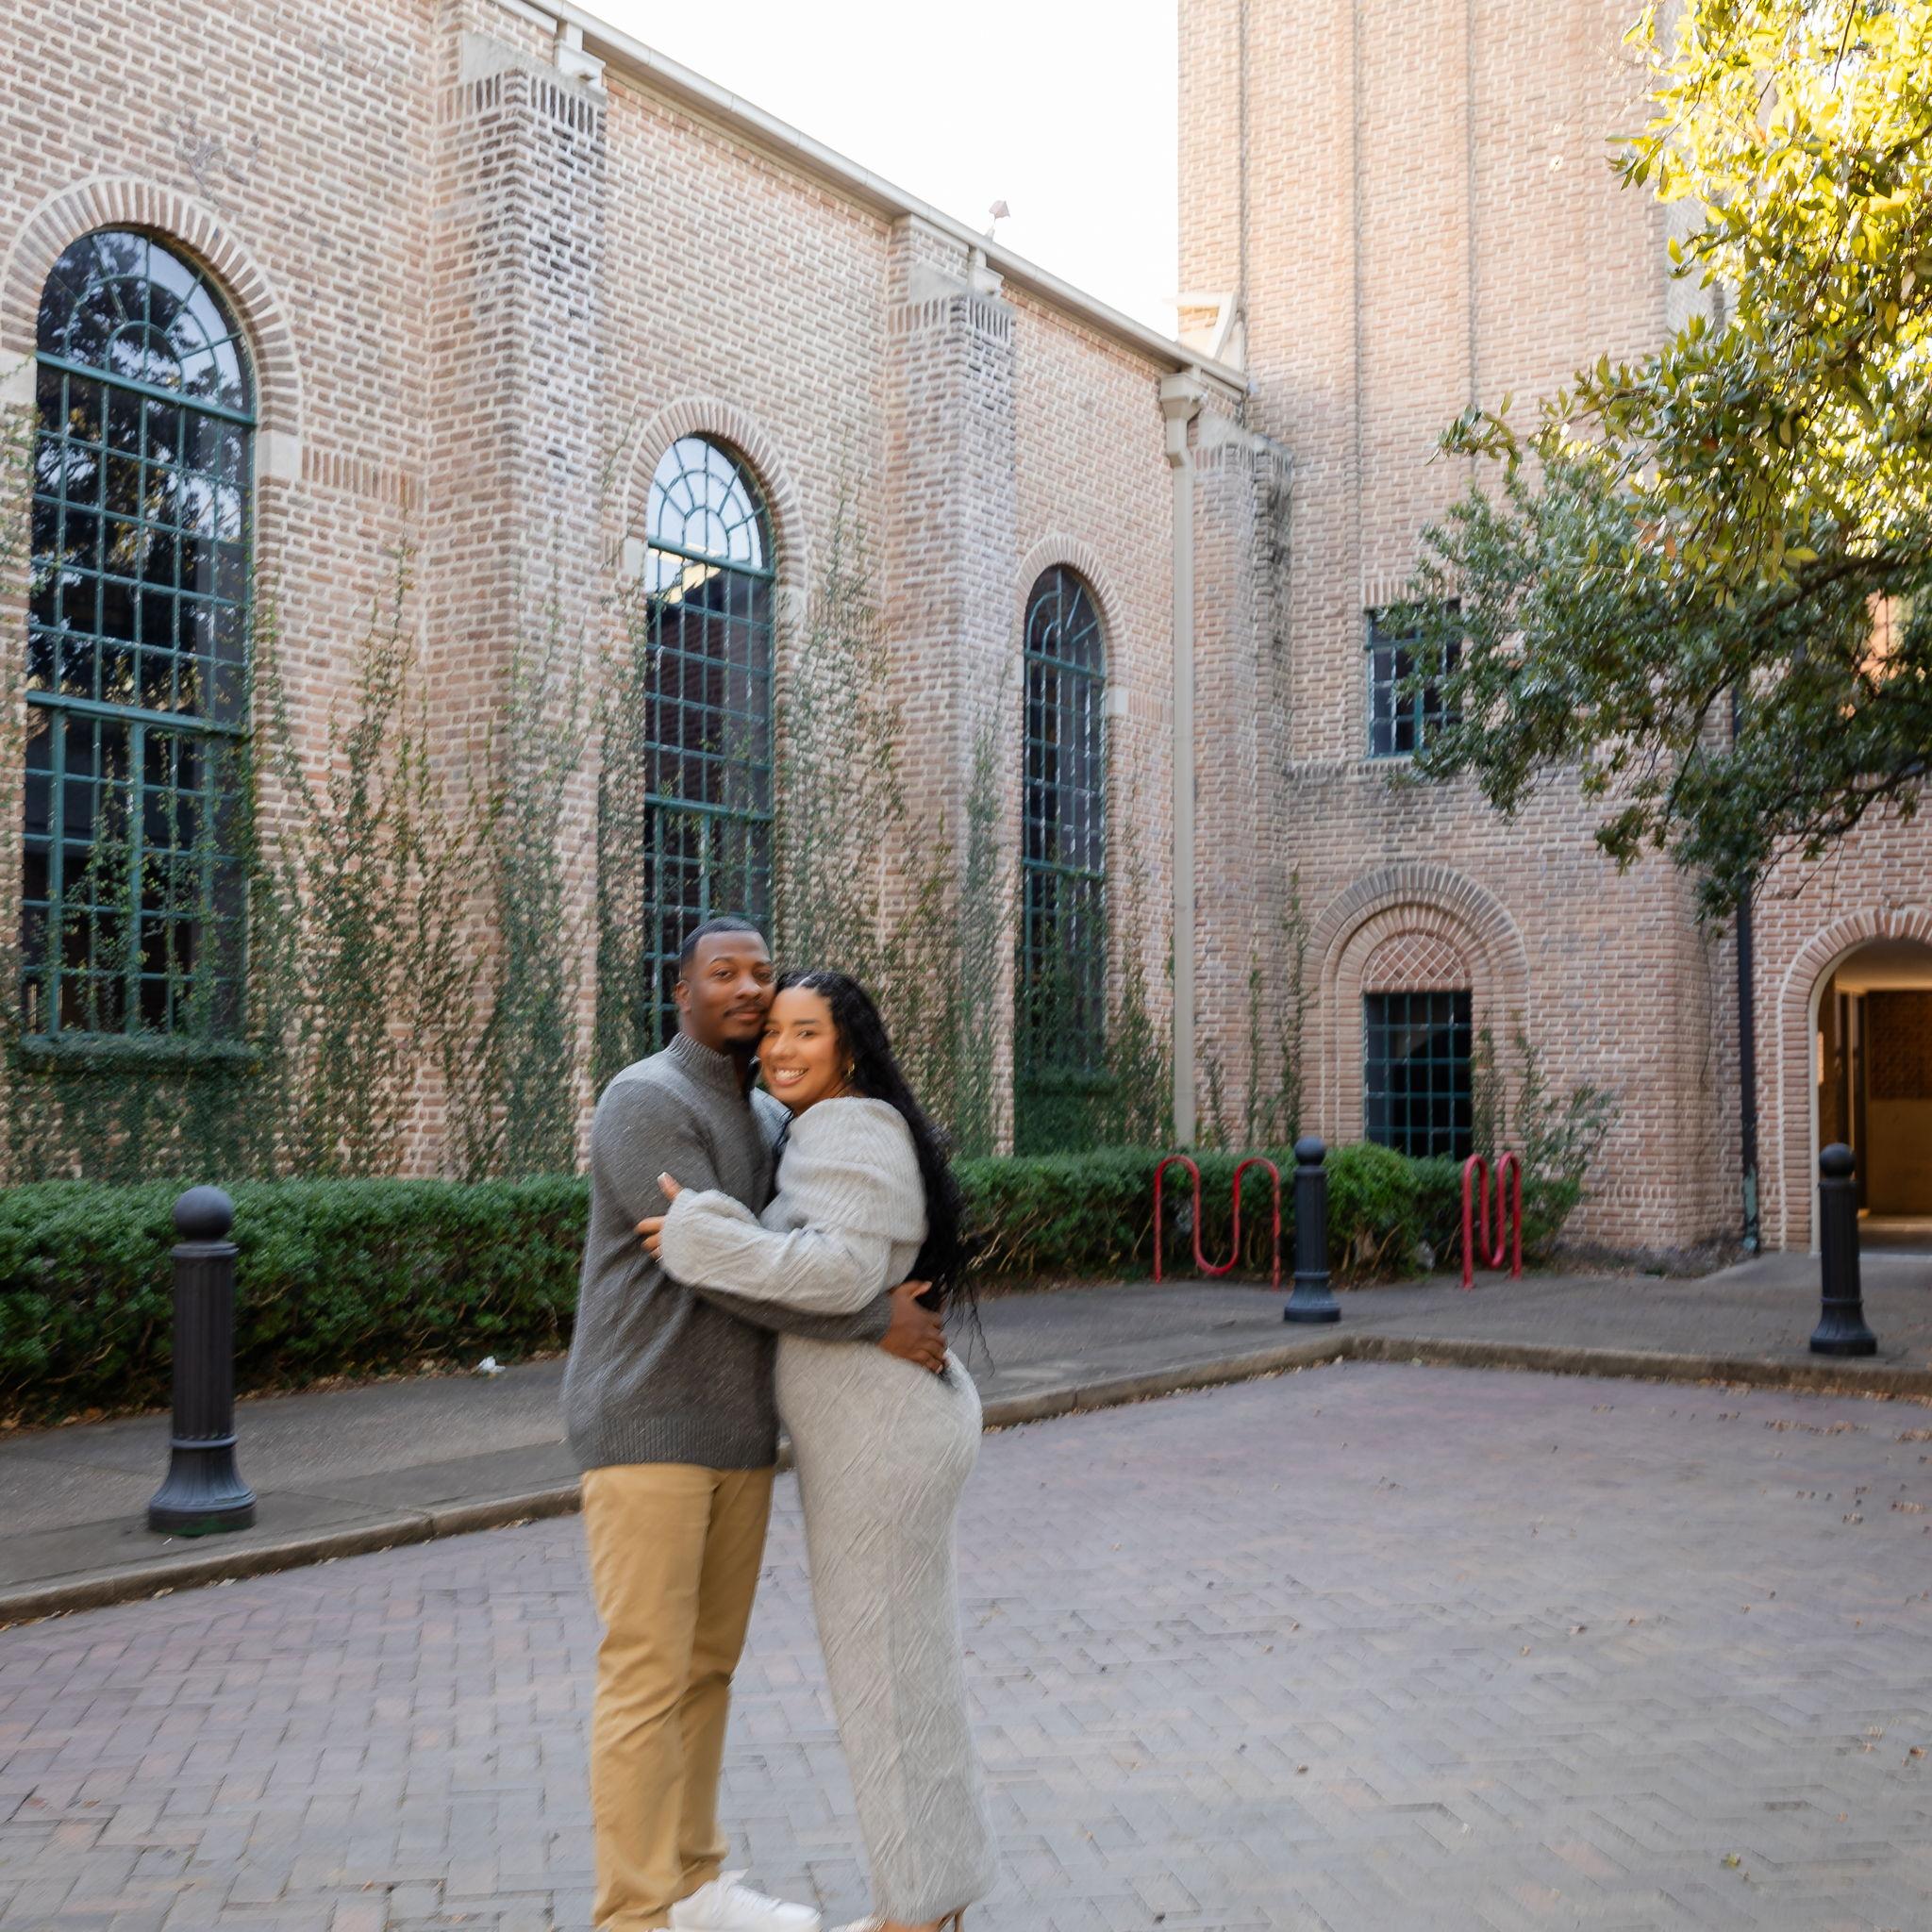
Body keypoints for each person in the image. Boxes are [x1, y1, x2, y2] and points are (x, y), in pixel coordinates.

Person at [561, 919, 948, 1932]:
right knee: (646, 1675)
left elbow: (793, 1253)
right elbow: (716, 1264)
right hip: (645, 1418)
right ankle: (634, 1911)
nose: (747, 989)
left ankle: (695, 1883)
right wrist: (873, 1319)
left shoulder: (774, 1117)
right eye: (723, 972)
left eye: (761, 975)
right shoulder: (645, 1099)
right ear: (680, 990)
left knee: (706, 1672)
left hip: (737, 1428)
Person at [641, 970, 997, 1932]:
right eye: (774, 1033)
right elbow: (846, 1275)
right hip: (879, 1434)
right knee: (907, 1670)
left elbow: (835, 1272)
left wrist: (699, 1231)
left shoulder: (848, 1129)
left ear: (849, 1046)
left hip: (879, 1442)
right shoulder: (835, 1126)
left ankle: (913, 1913)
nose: (780, 1048)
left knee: (883, 1679)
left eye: (806, 1031)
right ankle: (934, 1899)